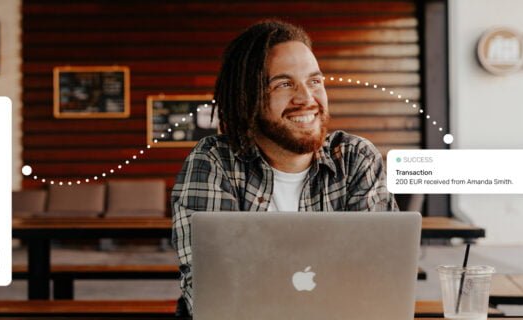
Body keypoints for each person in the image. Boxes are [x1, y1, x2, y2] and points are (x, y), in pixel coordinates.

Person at [170, 20, 398, 316]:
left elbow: (378, 280)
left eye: (315, 81)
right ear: (248, 97)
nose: (307, 98)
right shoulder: (214, 162)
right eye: (284, 84)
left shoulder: (356, 158)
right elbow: (211, 293)